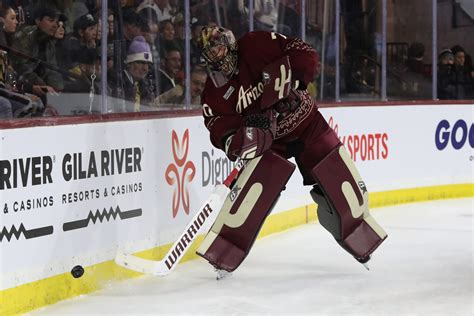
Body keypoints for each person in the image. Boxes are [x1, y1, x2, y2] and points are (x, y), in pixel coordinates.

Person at [195, 26, 387, 275]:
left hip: (307, 123)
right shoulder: (213, 93)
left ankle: (359, 236)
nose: (217, 53)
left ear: (230, 41)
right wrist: (244, 139)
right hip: (271, 142)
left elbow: (303, 52)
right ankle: (225, 251)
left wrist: (293, 78)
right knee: (253, 192)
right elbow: (221, 130)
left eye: (219, 45)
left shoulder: (256, 43)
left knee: (340, 181)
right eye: (211, 50)